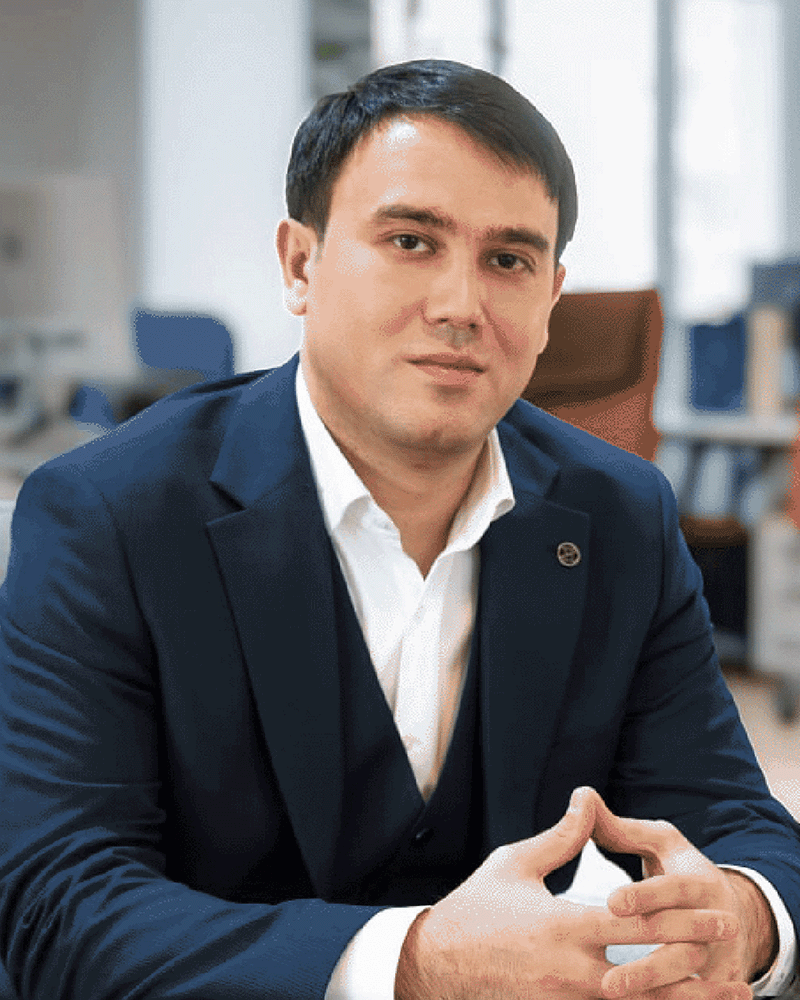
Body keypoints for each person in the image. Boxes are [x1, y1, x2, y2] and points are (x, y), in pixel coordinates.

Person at [0, 58, 798, 1000]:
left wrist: (739, 921)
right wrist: (414, 963)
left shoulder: (620, 513)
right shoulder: (108, 515)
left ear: (550, 297)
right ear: (301, 264)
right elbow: (56, 907)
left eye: (509, 259)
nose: (462, 305)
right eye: (412, 241)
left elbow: (737, 822)